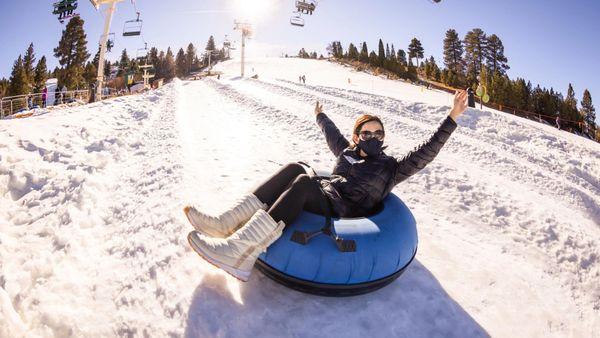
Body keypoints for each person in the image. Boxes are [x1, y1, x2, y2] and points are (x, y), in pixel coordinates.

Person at [185, 90, 468, 281]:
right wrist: (320, 116)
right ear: (357, 137)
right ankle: (224, 224)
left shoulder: (391, 167)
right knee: (296, 167)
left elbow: (427, 151)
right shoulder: (346, 152)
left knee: (304, 184)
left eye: (378, 133)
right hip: (328, 195)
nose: (374, 137)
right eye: (367, 132)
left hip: (346, 211)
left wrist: (452, 117)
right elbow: (331, 134)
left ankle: (238, 252)